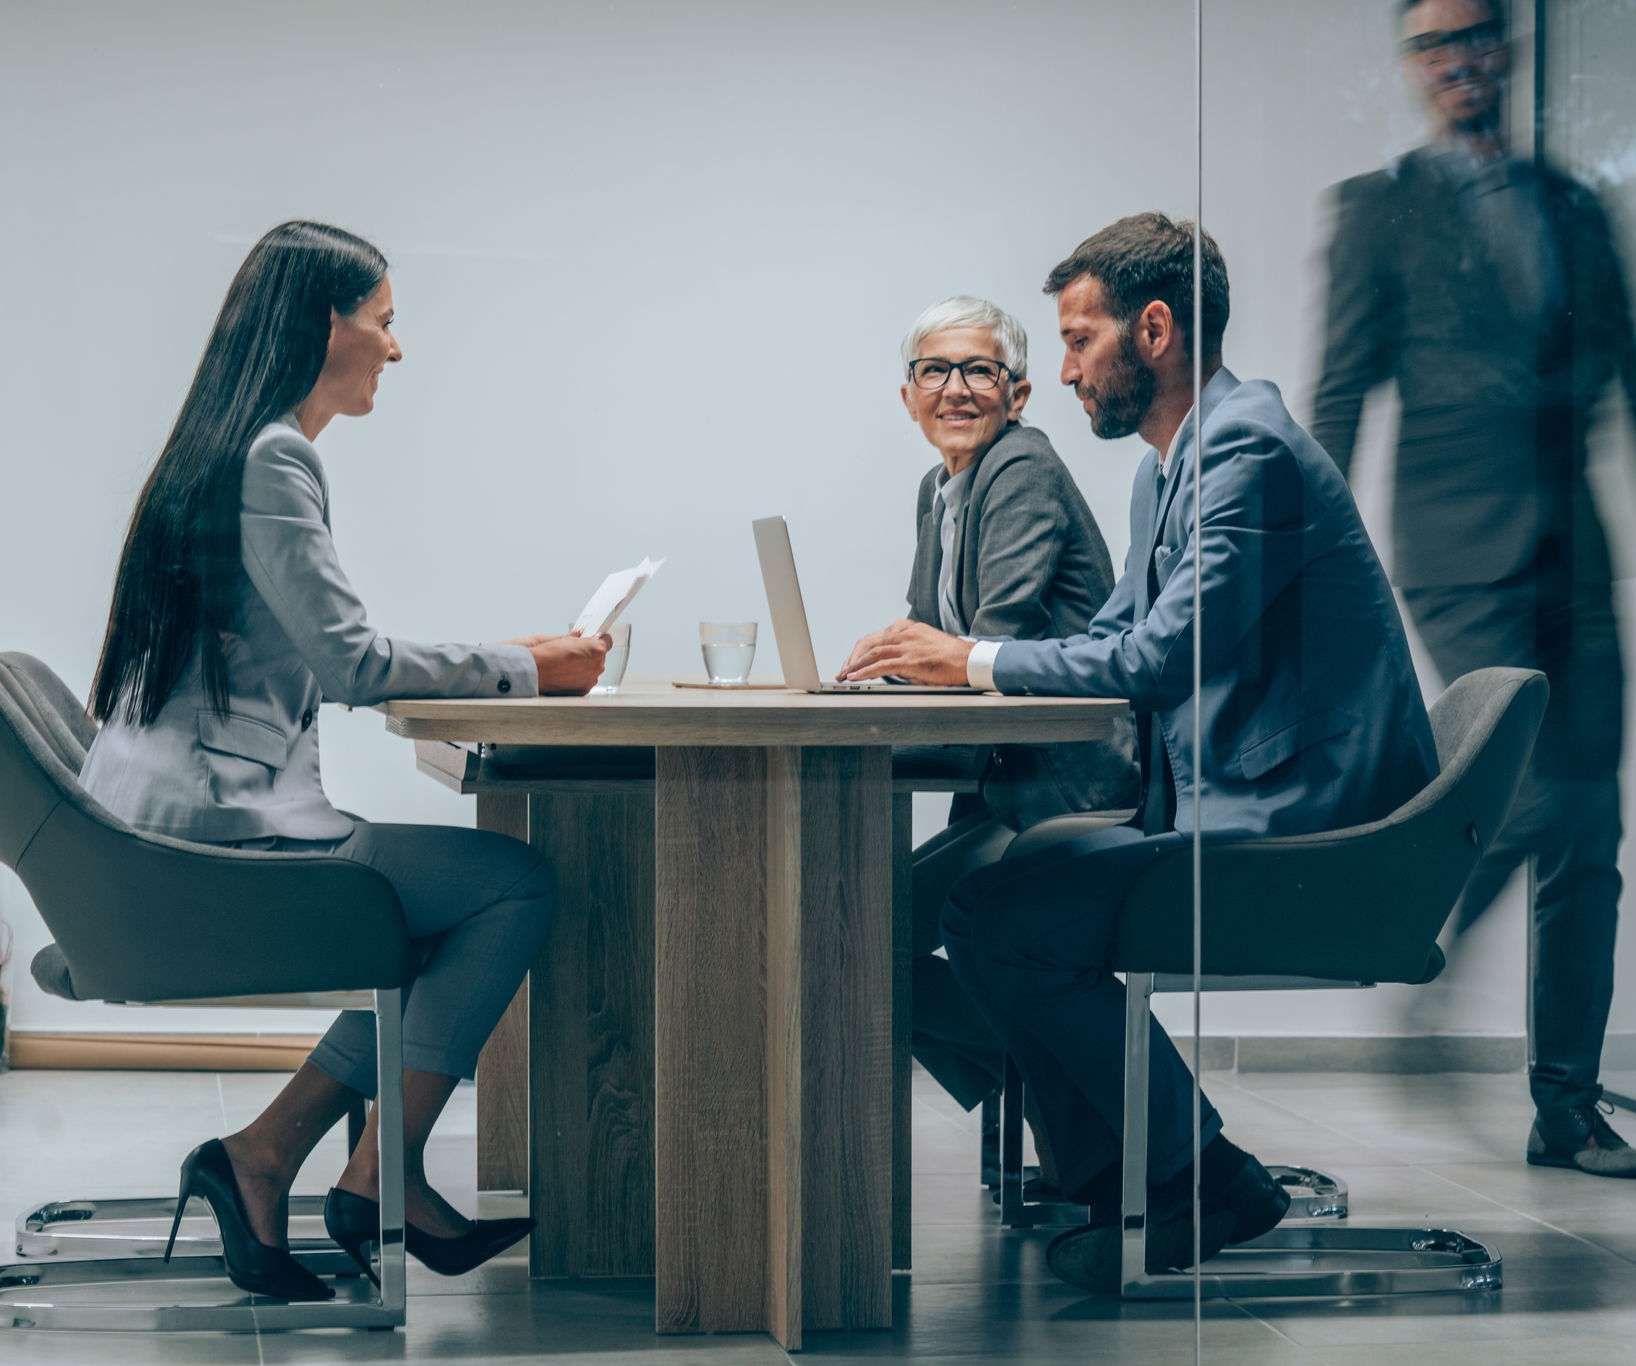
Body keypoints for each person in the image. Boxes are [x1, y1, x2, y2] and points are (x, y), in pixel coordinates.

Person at [840, 212, 1439, 1288]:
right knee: (994, 904)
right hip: (1250, 805)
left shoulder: (1244, 444)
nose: (1061, 372)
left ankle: (1201, 1178)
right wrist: (964, 660)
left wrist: (971, 662)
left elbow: (1159, 659)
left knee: (1011, 917)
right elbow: (1117, 632)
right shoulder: (1171, 466)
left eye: (1077, 341)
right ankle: (1122, 1175)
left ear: (1153, 328)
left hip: (1320, 828)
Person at [80, 220, 611, 1300]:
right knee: (510, 884)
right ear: (328, 323)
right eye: (385, 321)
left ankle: (273, 1154)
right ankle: (373, 1179)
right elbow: (353, 661)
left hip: (163, 832)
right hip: (212, 843)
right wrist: (526, 664)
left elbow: (327, 651)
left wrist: (514, 660)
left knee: (436, 902)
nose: (395, 349)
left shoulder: (220, 445)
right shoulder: (274, 453)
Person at [1312, 0, 1636, 1176]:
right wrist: (1315, 569)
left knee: (1588, 831)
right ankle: (1417, 944)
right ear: (1411, 67)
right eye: (1435, 42)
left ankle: (1565, 1104)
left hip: (1576, 557)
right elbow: (1340, 391)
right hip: (1454, 554)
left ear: (1508, 51)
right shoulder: (1376, 209)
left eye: (1478, 35)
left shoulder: (1574, 206)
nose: (1461, 59)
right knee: (1545, 799)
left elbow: (1628, 370)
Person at [868, 295, 1138, 1192]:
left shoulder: (1019, 465)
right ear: (906, 394)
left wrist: (912, 665)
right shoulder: (937, 488)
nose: (956, 389)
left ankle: (1085, 1114)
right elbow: (928, 634)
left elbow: (990, 636)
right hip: (1005, 784)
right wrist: (876, 670)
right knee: (866, 937)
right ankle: (1072, 1107)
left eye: (979, 371)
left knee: (860, 938)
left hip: (1068, 787)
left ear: (1017, 394)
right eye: (935, 371)